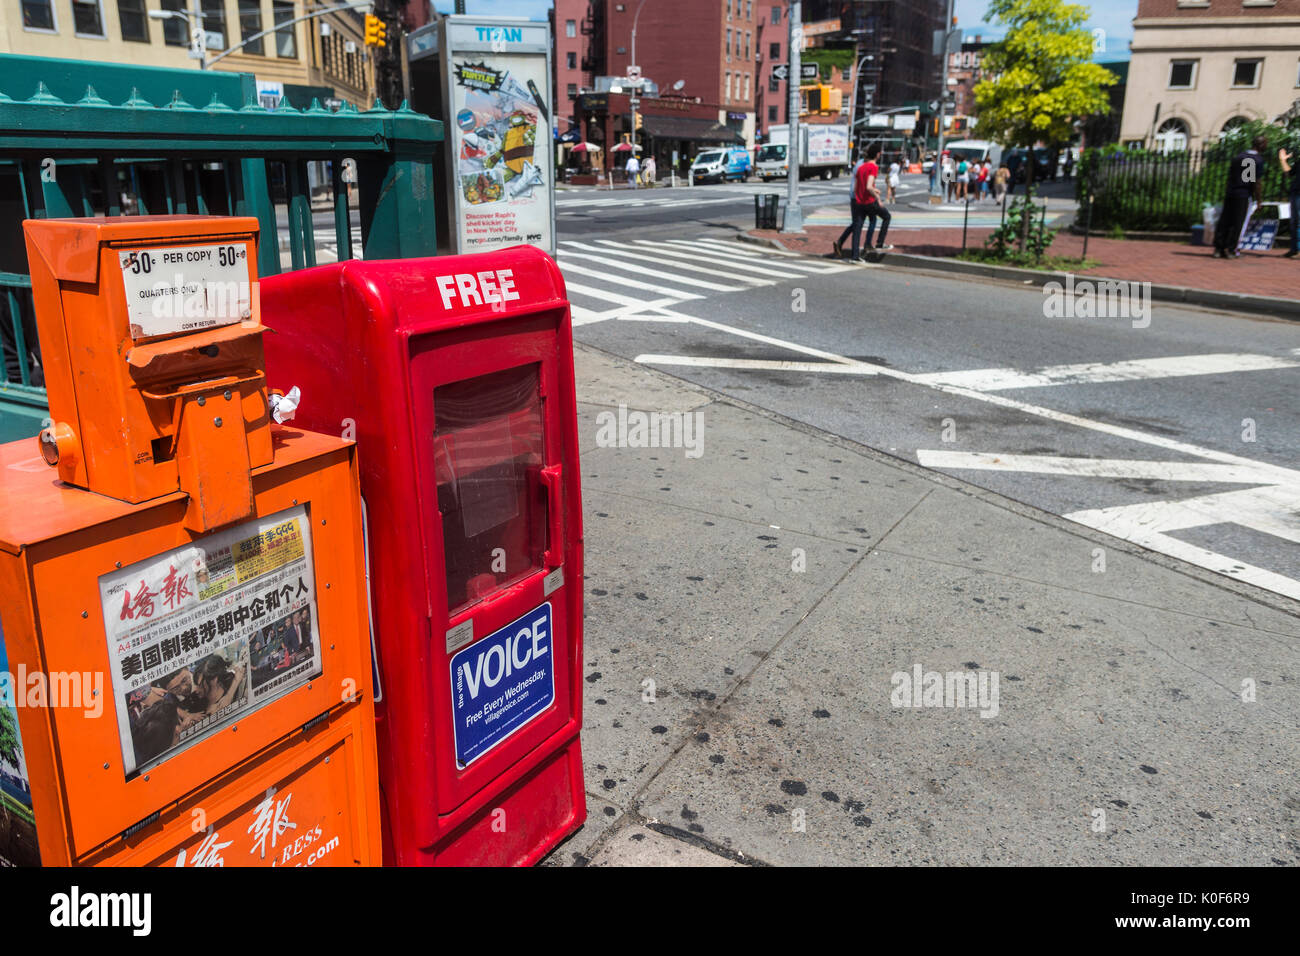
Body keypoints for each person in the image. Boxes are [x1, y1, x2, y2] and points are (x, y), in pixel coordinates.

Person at [1214, 134, 1266, 259]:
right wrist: (1259, 200)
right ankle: (1231, 249)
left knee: (1225, 221)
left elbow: (1230, 176)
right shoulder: (1258, 160)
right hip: (1243, 194)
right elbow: (1255, 181)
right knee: (1238, 222)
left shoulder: (1238, 157)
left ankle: (1218, 248)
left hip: (1231, 192)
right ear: (1260, 145)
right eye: (1265, 143)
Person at [1279, 143, 1300, 258]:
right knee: (1294, 222)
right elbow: (1289, 174)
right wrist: (1283, 161)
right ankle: (1294, 249)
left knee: (1298, 223)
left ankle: (1297, 250)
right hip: (1295, 193)